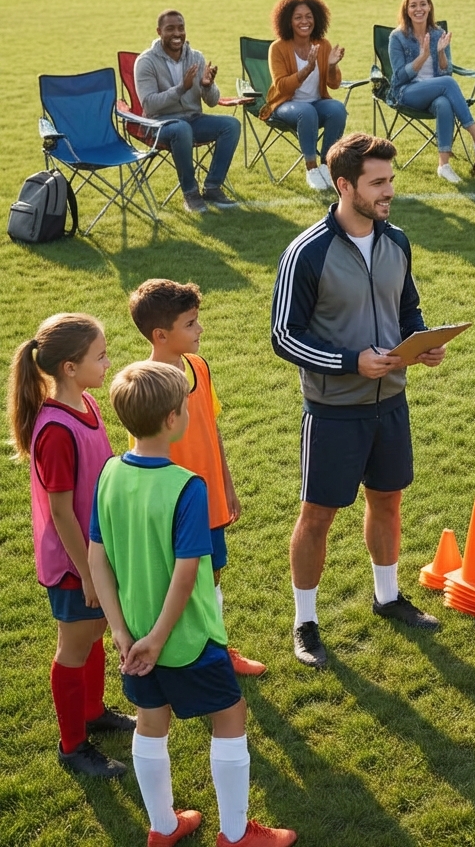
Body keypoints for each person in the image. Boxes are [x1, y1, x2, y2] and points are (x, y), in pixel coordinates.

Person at [89, 362, 296, 847]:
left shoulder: (109, 473)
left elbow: (98, 561)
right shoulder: (187, 486)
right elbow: (186, 575)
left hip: (134, 635)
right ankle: (235, 834)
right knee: (229, 715)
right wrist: (160, 638)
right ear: (172, 419)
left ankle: (162, 828)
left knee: (150, 721)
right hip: (185, 635)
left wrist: (122, 633)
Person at [271, 132, 446, 669]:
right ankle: (306, 622)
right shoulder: (306, 252)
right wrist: (351, 363)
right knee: (318, 515)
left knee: (388, 500)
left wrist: (422, 343)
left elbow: (407, 308)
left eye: (390, 180)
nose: (388, 190)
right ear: (344, 185)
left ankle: (388, 597)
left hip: (390, 401)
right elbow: (284, 335)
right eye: (378, 182)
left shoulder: (398, 241)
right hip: (333, 411)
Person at [6, 314, 134, 779]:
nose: (108, 362)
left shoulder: (89, 404)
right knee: (73, 647)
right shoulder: (56, 430)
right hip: (73, 563)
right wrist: (89, 574)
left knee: (94, 630)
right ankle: (72, 745)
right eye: (99, 356)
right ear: (68, 367)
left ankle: (94, 711)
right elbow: (61, 512)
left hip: (96, 552)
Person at [127, 279, 266, 679]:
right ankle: (175, 654)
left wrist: (226, 485)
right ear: (161, 335)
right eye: (191, 323)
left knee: (214, 571)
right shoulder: (144, 385)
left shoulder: (199, 367)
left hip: (208, 497)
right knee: (175, 580)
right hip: (171, 506)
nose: (200, 329)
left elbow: (211, 428)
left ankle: (216, 648)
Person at [387, 0, 475, 185]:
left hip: (435, 92)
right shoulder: (397, 37)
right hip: (406, 93)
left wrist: (440, 53)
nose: (419, 9)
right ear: (406, 10)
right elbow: (399, 77)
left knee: (443, 102)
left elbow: (445, 72)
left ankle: (444, 165)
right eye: (413, 5)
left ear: (430, 7)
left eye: (423, 4)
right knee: (448, 84)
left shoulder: (437, 34)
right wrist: (423, 57)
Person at [135, 9, 241, 214]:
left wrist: (208, 86)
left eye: (181, 28)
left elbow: (212, 102)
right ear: (159, 32)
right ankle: (190, 193)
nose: (177, 33)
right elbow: (149, 105)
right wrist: (181, 88)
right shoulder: (146, 62)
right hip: (159, 124)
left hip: (193, 120)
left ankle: (212, 187)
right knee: (181, 129)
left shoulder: (196, 57)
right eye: (170, 29)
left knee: (231, 125)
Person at [260, 0, 347, 192]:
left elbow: (334, 84)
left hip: (317, 102)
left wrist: (332, 66)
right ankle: (311, 169)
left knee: (337, 109)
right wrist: (306, 69)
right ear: (288, 21)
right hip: (285, 105)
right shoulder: (278, 48)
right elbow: (281, 86)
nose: (304, 21)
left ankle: (327, 165)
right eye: (298, 17)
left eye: (309, 16)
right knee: (306, 112)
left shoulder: (322, 45)